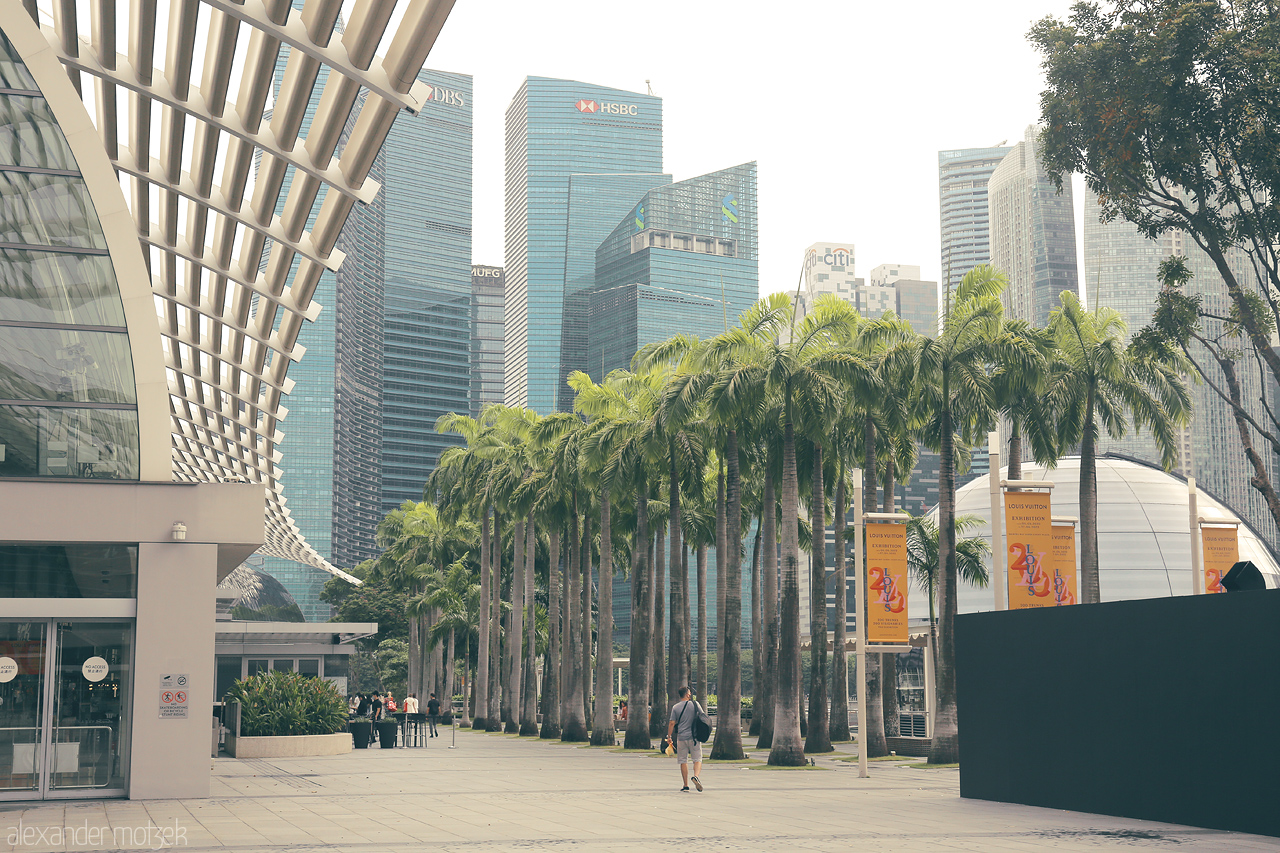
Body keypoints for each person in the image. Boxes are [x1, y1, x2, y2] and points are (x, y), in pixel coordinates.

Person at [666, 686, 707, 792]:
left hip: (681, 738)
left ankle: (685, 785)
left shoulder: (675, 707)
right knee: (697, 759)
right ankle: (696, 776)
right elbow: (703, 717)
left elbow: (671, 723)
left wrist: (669, 737)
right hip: (694, 737)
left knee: (683, 761)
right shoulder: (695, 704)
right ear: (688, 694)